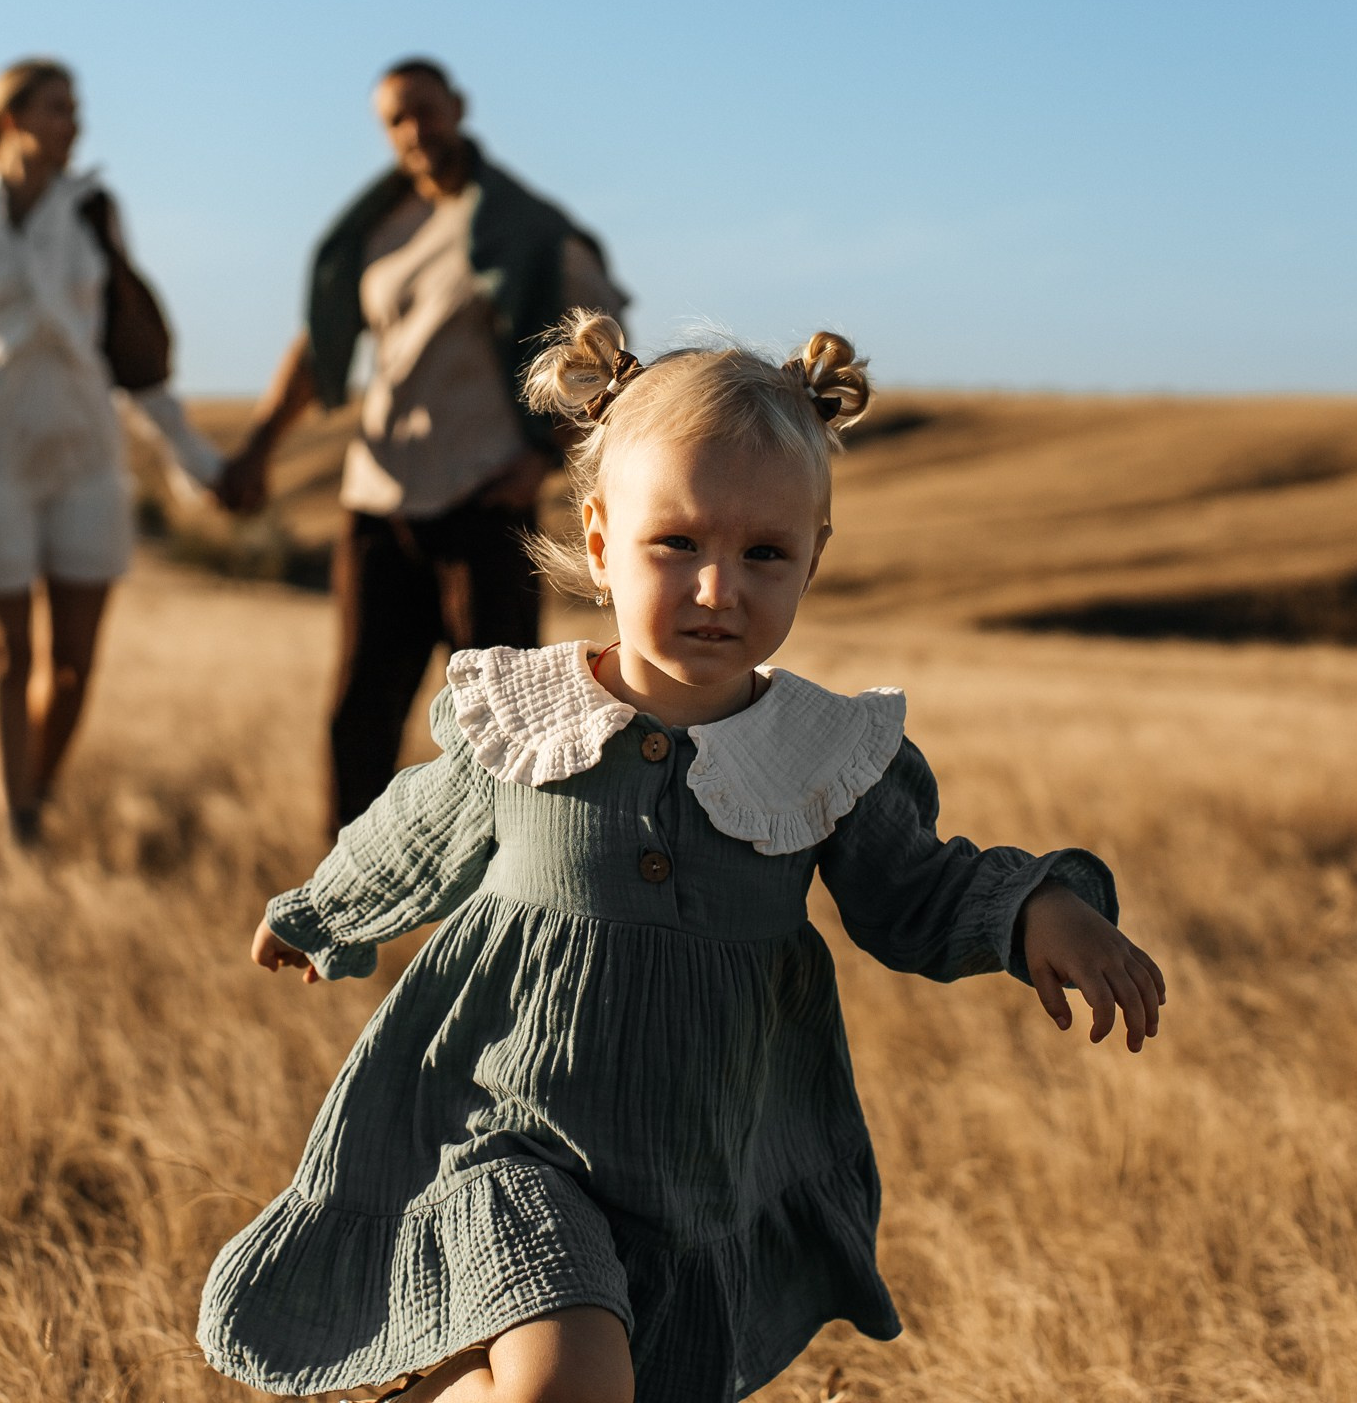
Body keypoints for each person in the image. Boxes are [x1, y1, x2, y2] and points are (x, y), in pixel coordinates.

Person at [198, 313, 1169, 1403]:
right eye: (679, 545)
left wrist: (1040, 910)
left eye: (765, 553)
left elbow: (919, 887)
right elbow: (418, 825)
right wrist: (324, 907)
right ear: (603, 538)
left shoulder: (820, 754)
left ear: (815, 556)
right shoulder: (529, 716)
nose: (720, 589)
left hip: (701, 1167)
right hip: (504, 1131)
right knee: (567, 1376)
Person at [216, 58, 627, 832]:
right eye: (396, 121)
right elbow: (321, 348)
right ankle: (344, 904)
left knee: (504, 725)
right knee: (358, 719)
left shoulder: (526, 231)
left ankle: (511, 894)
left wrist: (543, 459)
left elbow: (600, 356)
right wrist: (259, 446)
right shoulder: (380, 231)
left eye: (424, 113)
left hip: (481, 504)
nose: (413, 132)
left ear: (458, 110)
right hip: (378, 501)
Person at [0, 57, 223, 848]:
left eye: (76, 110)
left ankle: (31, 794)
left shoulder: (95, 212)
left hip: (84, 455)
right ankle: (18, 831)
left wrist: (196, 459)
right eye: (58, 108)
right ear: (12, 120)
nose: (75, 124)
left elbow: (129, 352)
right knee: (5, 654)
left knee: (72, 665)